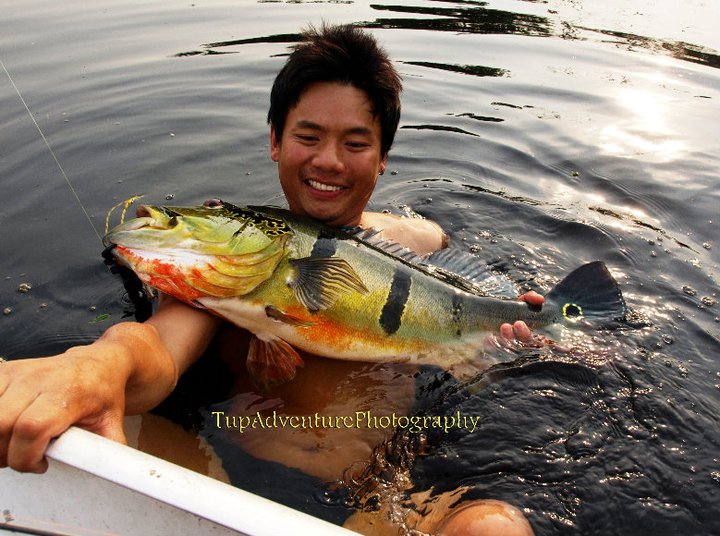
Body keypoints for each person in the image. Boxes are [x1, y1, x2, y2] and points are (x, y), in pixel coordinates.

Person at [0, 24, 540, 536]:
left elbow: (469, 281)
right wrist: (95, 364)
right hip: (233, 481)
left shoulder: (419, 239)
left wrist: (516, 318)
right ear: (276, 141)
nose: (329, 161)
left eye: (356, 143)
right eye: (309, 136)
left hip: (385, 494)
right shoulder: (231, 263)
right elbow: (158, 346)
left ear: (382, 160)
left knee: (493, 527)